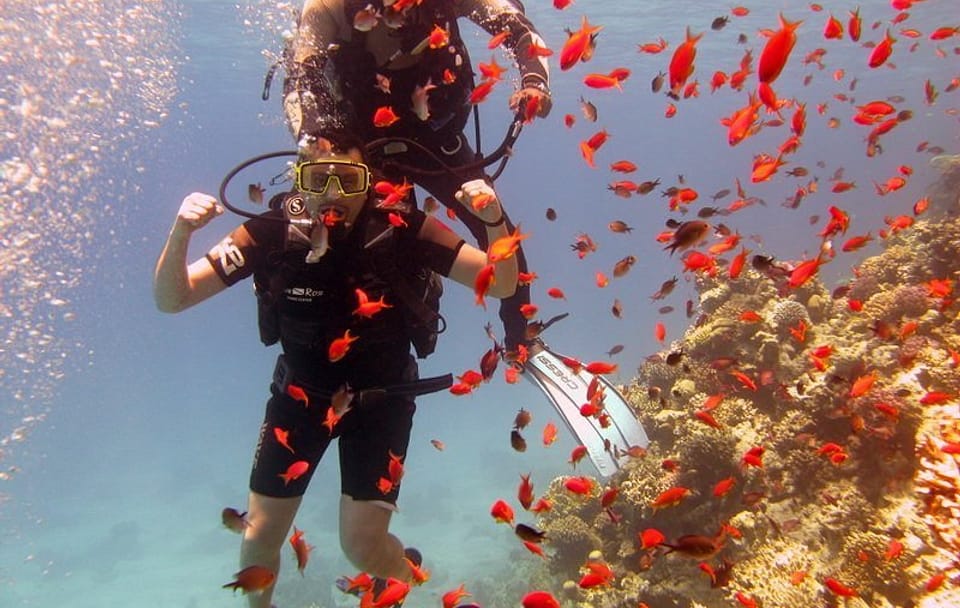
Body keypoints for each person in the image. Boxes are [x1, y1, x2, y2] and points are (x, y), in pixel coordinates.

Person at [153, 131, 518, 608]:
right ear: (298, 180)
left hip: (381, 400)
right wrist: (181, 231)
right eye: (317, 178)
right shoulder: (272, 231)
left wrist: (492, 221)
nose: (332, 195)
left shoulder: (402, 227)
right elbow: (172, 298)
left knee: (361, 548)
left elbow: (503, 285)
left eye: (348, 180)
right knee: (259, 536)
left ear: (370, 182)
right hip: (301, 396)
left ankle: (417, 579)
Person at [281, 0, 551, 354]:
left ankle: (519, 340)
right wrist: (314, 142)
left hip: (438, 140)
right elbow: (300, 76)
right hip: (363, 149)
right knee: (344, 247)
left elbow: (518, 29)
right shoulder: (327, 7)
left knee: (497, 234)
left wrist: (535, 81)